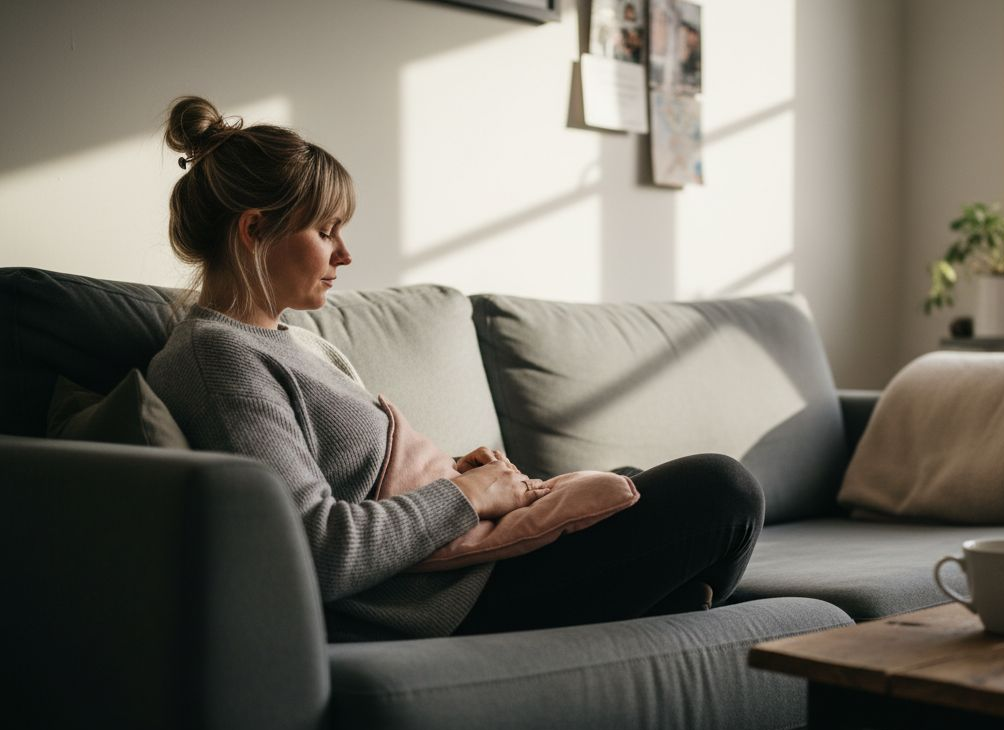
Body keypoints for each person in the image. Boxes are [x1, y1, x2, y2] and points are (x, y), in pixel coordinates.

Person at [148, 96, 764, 640]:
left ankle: (665, 612)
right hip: (445, 598)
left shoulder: (288, 341)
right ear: (256, 231)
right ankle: (669, 613)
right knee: (722, 490)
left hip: (466, 564)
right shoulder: (219, 358)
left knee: (628, 480)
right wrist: (467, 494)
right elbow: (317, 548)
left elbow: (368, 478)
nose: (345, 252)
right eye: (326, 230)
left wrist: (465, 478)